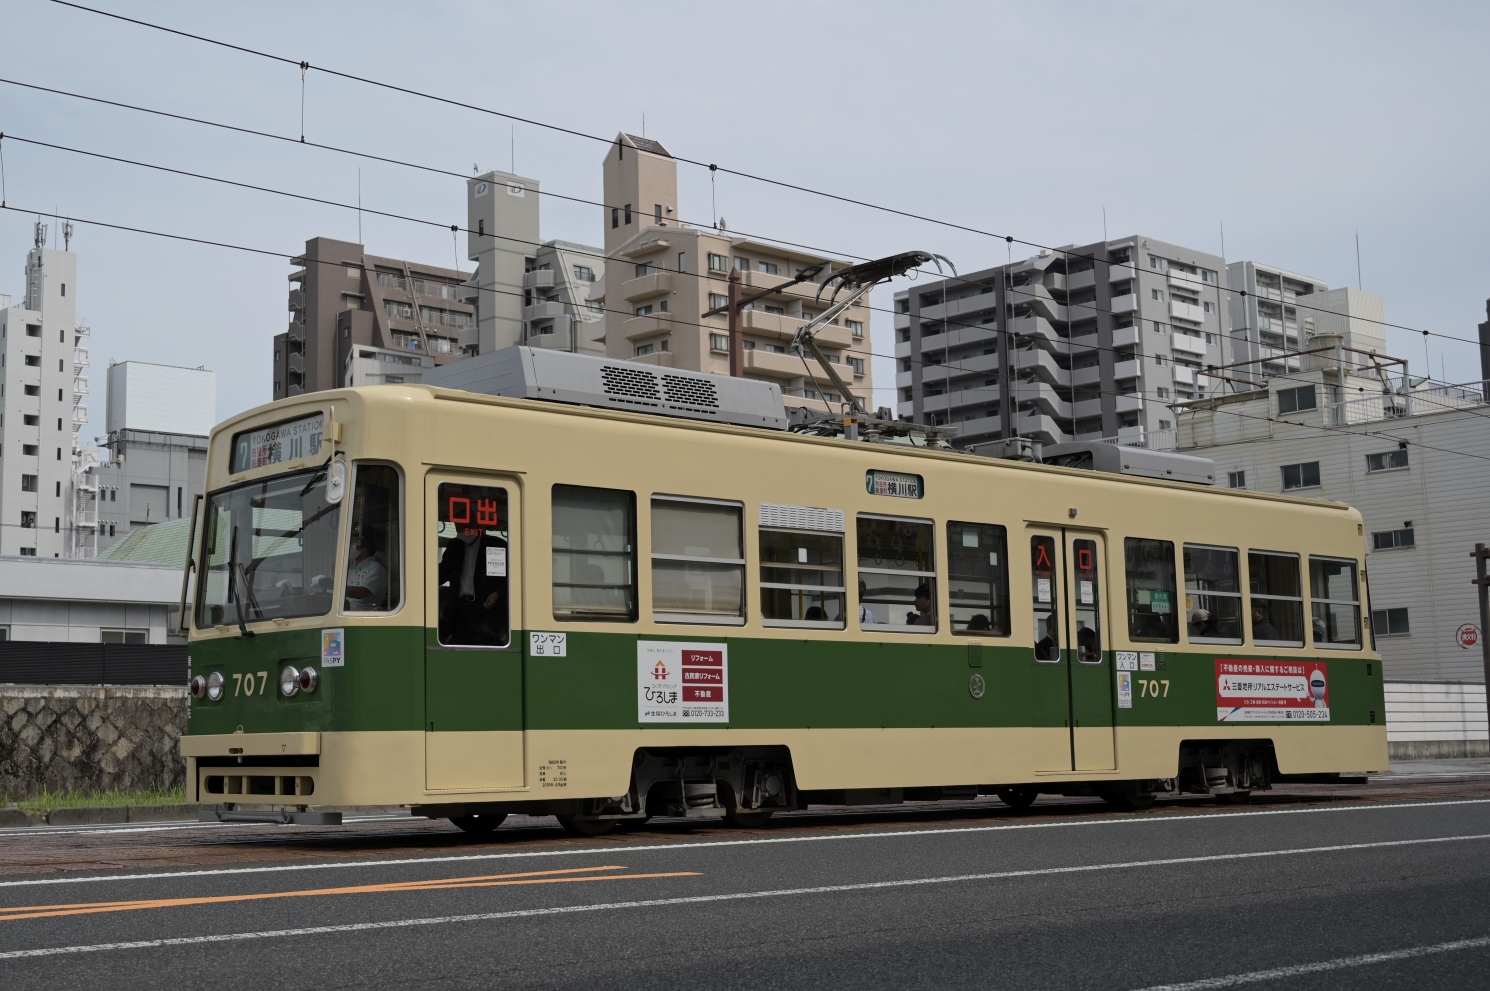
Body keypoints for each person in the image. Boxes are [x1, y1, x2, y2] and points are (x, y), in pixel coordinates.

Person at [438, 524, 509, 645]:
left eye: (463, 527)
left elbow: (511, 576)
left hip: (487, 605)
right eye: (457, 528)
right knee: (458, 643)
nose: (461, 532)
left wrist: (498, 593)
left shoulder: (496, 545)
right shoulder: (454, 546)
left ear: (475, 526)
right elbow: (442, 572)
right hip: (459, 605)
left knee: (486, 643)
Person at [344, 529, 389, 611]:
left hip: (363, 615)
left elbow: (361, 592)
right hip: (346, 611)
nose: (351, 547)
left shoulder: (376, 568)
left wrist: (336, 587)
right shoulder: (351, 569)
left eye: (354, 544)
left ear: (365, 547)